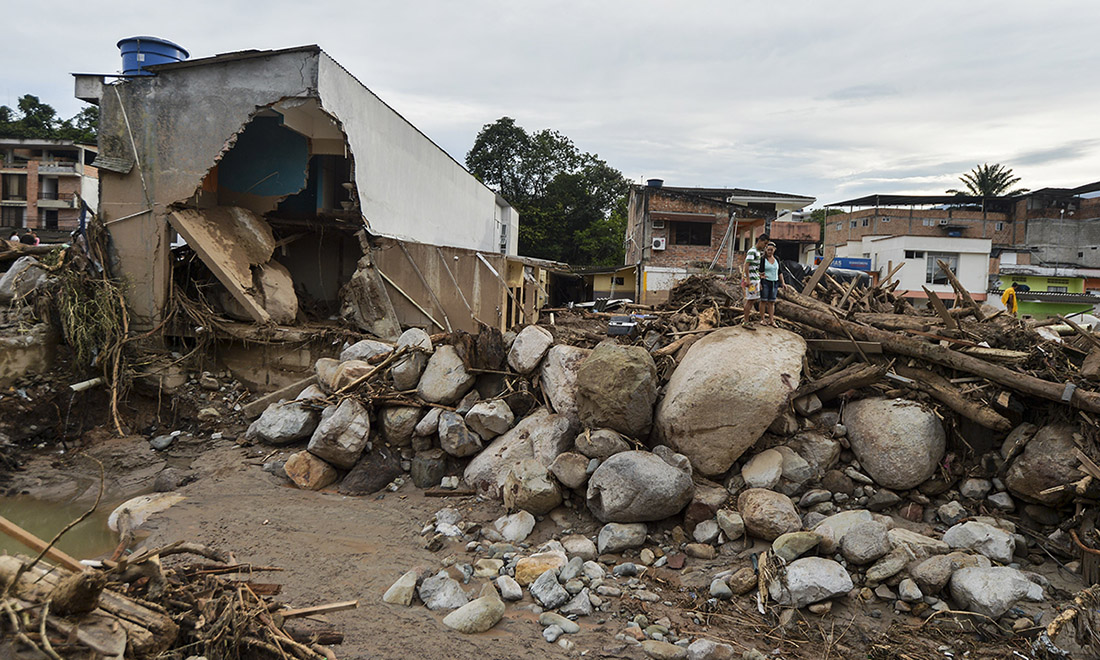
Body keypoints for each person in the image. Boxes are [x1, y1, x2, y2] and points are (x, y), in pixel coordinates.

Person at [741, 233, 769, 329]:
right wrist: (748, 279)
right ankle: (745, 321)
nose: (765, 246)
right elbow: (746, 265)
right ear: (760, 241)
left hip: (755, 279)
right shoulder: (752, 251)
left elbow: (754, 267)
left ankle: (746, 320)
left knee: (753, 300)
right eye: (765, 243)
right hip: (751, 280)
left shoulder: (758, 252)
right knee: (750, 300)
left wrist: (759, 276)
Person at [760, 242, 786, 326]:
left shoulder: (777, 259)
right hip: (765, 282)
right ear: (766, 250)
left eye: (771, 250)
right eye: (768, 250)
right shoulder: (763, 259)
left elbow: (779, 272)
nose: (770, 251)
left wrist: (783, 283)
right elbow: (759, 271)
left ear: (774, 250)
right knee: (763, 300)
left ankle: (771, 320)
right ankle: (762, 319)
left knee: (772, 302)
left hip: (774, 282)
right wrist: (759, 282)